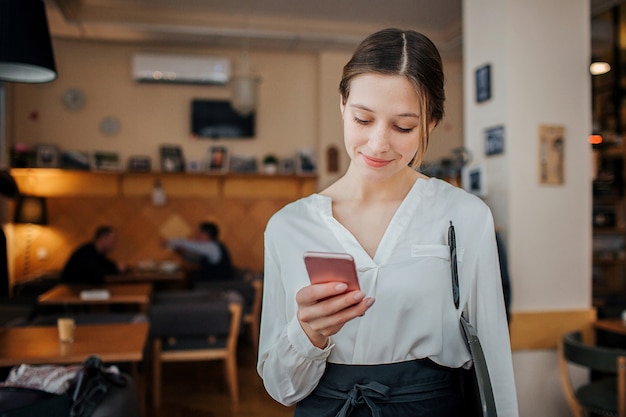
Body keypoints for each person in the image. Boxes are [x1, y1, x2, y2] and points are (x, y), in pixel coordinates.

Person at [257, 28, 518, 417]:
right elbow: (281, 387)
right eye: (363, 119)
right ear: (343, 105)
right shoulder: (287, 226)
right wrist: (309, 333)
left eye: (403, 127)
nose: (379, 144)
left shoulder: (464, 216)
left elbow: (493, 359)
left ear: (431, 123)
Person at [163, 221, 234, 281]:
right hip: (211, 285)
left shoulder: (211, 247)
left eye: (199, 233)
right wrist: (180, 252)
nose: (197, 236)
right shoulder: (214, 246)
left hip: (214, 287)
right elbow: (198, 260)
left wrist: (168, 242)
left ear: (206, 234)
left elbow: (187, 244)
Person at [60, 225, 125, 284]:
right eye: (112, 240)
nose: (114, 244)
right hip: (70, 291)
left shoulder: (98, 253)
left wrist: (117, 267)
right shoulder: (86, 253)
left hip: (82, 290)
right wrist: (116, 269)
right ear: (103, 238)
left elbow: (108, 265)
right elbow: (97, 275)